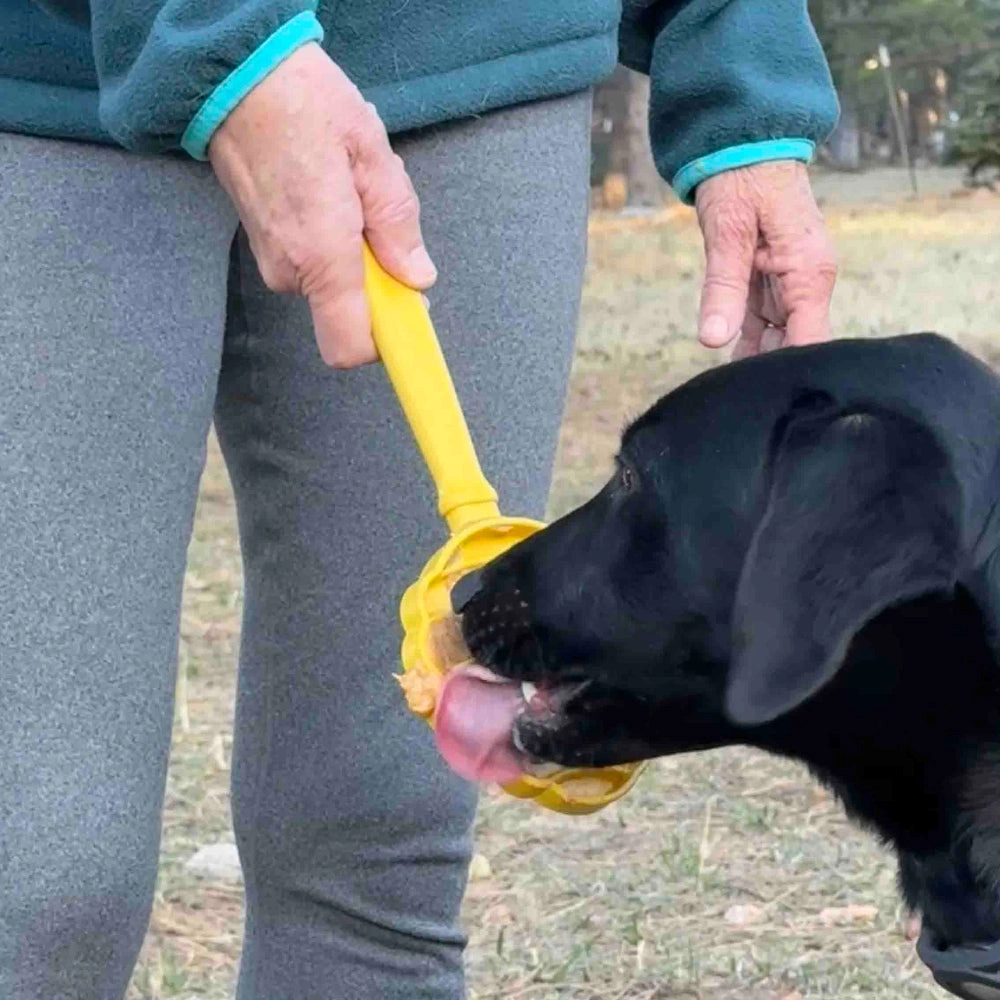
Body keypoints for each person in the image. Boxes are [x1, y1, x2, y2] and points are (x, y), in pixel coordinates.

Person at [0, 2, 840, 997]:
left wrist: (735, 55)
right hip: (45, 76)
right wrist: (216, 33)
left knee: (379, 843)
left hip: (466, 57)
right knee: (42, 882)